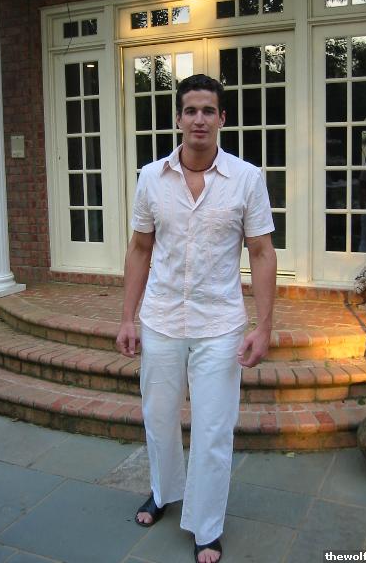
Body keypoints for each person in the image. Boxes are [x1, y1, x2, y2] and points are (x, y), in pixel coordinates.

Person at [116, 74, 277, 563]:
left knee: (213, 429)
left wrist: (264, 326)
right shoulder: (151, 178)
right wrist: (127, 318)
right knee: (159, 417)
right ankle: (164, 491)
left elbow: (262, 252)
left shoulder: (246, 178)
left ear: (222, 118)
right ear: (178, 118)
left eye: (209, 110)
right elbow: (140, 248)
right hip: (161, 319)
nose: (199, 119)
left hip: (219, 325)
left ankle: (206, 525)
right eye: (191, 110)